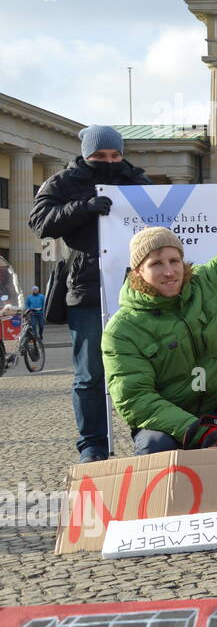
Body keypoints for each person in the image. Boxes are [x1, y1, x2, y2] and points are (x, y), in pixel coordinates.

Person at [102, 155, 217, 455]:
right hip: (168, 421)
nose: (169, 271)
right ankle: (166, 498)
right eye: (156, 264)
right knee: (156, 446)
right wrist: (199, 431)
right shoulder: (121, 330)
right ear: (138, 271)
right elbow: (135, 400)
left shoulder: (211, 280)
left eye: (174, 260)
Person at [29, 125, 151, 463]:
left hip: (136, 288)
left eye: (115, 155)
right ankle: (92, 445)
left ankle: (147, 434)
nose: (108, 161)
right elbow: (39, 221)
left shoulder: (137, 179)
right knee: (89, 375)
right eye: (100, 156)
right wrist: (84, 207)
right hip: (86, 289)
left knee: (144, 368)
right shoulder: (62, 182)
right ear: (86, 154)